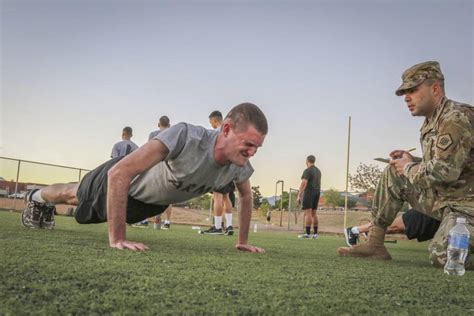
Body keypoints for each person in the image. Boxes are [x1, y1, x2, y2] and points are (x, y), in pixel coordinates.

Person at [21, 102, 268, 253]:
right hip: (121, 180)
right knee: (73, 193)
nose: (252, 152)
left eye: (257, 147)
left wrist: (242, 241)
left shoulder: (239, 164)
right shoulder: (186, 136)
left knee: (77, 201)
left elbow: (246, 197)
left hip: (147, 204)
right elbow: (119, 173)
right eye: (248, 144)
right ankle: (34, 197)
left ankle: (41, 200)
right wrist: (117, 239)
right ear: (225, 129)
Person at [337, 61, 474, 270]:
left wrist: (410, 167)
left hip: (467, 206)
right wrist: (408, 162)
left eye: (413, 90)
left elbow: (445, 173)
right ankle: (374, 244)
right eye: (404, 93)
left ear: (435, 89)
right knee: (394, 170)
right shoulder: (431, 122)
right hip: (449, 199)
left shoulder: (454, 118)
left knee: (446, 258)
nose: (406, 98)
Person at [133, 116, 174, 229]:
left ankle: (145, 219)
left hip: (155, 166)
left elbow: (148, 150)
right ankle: (167, 221)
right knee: (168, 195)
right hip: (169, 168)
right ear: (169, 125)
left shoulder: (153, 134)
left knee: (150, 192)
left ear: (158, 124)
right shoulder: (173, 134)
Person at [202, 110, 236, 235]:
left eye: (211, 122)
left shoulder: (216, 133)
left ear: (215, 120)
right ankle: (230, 225)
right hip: (231, 167)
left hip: (219, 168)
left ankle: (217, 226)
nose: (211, 125)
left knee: (217, 196)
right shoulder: (231, 131)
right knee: (226, 196)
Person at [344, 208, 441, 246]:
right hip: (435, 209)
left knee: (408, 230)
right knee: (398, 226)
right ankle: (354, 230)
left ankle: (369, 232)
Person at [297, 155, 322, 239]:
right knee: (314, 214)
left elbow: (304, 183)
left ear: (307, 161)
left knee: (308, 214)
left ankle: (307, 234)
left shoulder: (307, 170)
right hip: (317, 192)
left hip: (309, 192)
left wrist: (299, 195)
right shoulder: (318, 171)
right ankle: (315, 234)